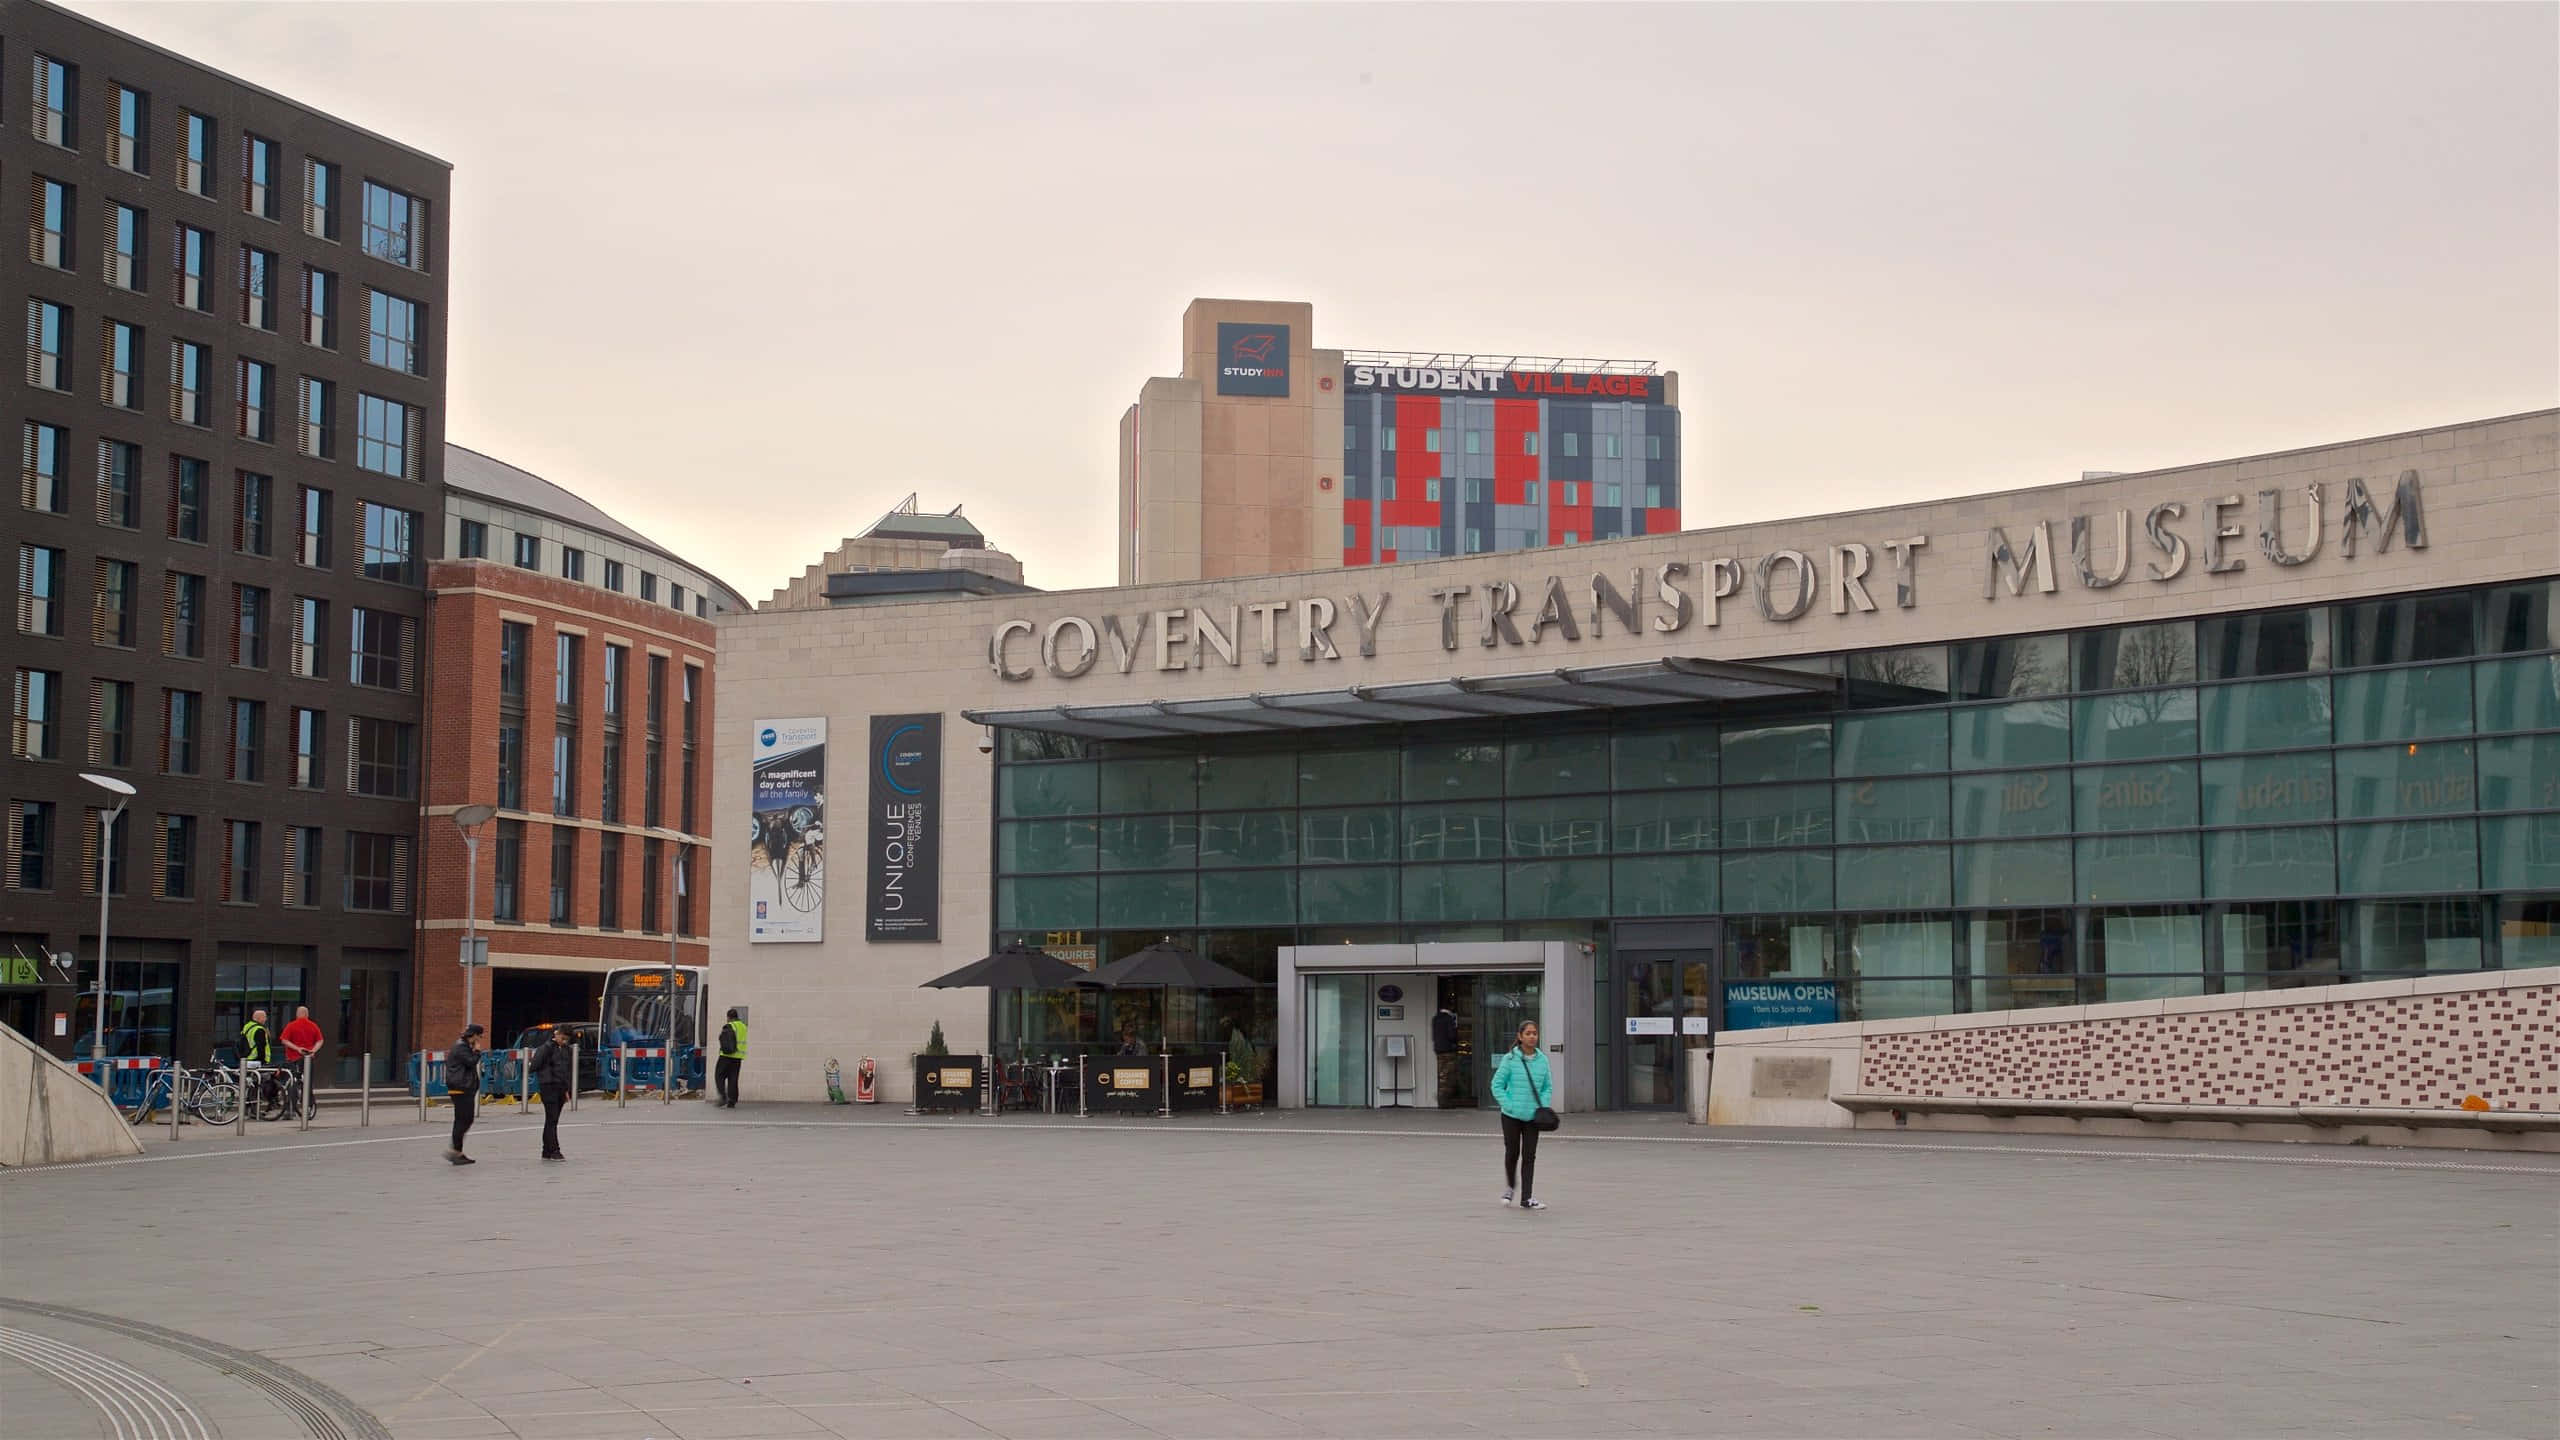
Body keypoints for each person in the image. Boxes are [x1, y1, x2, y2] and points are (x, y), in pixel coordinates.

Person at [1489, 1020, 1551, 1211]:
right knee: (1512, 1153)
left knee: (1529, 1156)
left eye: (1535, 1033)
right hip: (1511, 1116)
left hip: (1533, 1117)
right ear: (1520, 1036)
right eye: (1528, 1033)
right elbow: (1496, 1085)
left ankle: (1527, 1198)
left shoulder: (1543, 1060)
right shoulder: (1510, 1059)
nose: (1532, 1036)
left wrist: (1543, 1105)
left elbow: (1547, 1086)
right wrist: (1509, 1105)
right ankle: (1510, 1187)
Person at [531, 1026, 574, 1160]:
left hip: (561, 1088)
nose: (564, 1042)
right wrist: (546, 1074)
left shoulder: (567, 1050)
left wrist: (567, 1090)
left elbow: (567, 1070)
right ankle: (555, 1150)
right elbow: (534, 1066)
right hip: (549, 1087)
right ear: (557, 1034)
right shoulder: (546, 1048)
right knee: (552, 1119)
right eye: (563, 1038)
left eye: (567, 1040)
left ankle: (547, 1151)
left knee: (552, 1120)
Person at [444, 1025, 485, 1166]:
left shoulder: (463, 1045)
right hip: (461, 1087)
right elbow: (471, 1061)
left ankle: (457, 1151)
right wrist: (477, 1051)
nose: (480, 1039)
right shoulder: (461, 1047)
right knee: (464, 1119)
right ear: (474, 1035)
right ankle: (455, 1151)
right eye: (480, 1036)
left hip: (462, 1087)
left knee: (463, 1119)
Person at [240, 1008, 275, 1115]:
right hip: (257, 1061)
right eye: (264, 1017)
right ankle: (256, 1108)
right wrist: (263, 1060)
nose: (266, 1019)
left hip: (247, 1060)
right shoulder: (259, 1029)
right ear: (258, 1018)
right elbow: (261, 1046)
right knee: (259, 1083)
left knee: (251, 1085)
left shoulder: (247, 1027)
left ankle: (248, 1108)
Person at [714, 1008, 747, 1108]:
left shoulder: (729, 1026)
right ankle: (732, 1100)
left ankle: (723, 1097)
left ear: (728, 1017)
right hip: (738, 1057)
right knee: (733, 1078)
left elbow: (724, 1039)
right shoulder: (743, 1026)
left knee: (719, 1075)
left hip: (726, 1056)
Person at [1431, 1004, 1461, 1107]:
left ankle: (1441, 1100)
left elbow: (1433, 1036)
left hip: (1439, 1049)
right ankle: (1445, 1101)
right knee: (1449, 1076)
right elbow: (1452, 1035)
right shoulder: (1449, 1019)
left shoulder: (1435, 1018)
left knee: (1442, 1075)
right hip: (1448, 1050)